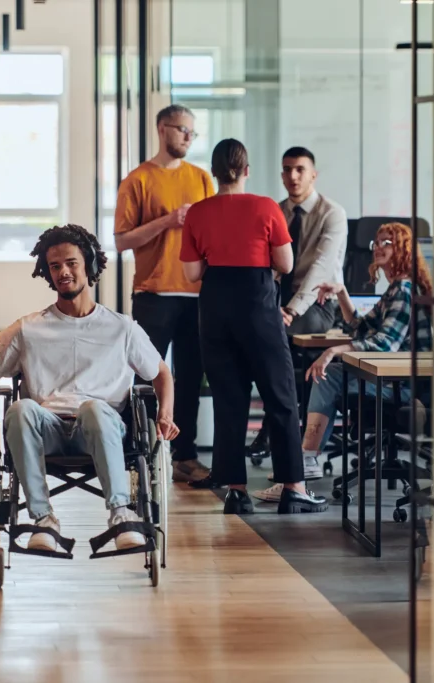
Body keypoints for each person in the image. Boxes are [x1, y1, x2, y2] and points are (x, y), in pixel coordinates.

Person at [0, 225, 179, 554]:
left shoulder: (122, 328)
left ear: (88, 265)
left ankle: (121, 515)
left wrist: (164, 414)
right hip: (46, 429)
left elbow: (161, 373)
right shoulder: (29, 328)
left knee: (93, 408)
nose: (63, 272)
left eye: (71, 263)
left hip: (100, 427)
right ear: (47, 274)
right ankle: (43, 520)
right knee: (20, 409)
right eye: (55, 266)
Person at [179, 138, 328, 515]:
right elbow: (286, 263)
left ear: (213, 172)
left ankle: (235, 490)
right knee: (280, 396)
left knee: (230, 400)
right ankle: (293, 486)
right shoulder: (265, 207)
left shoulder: (198, 212)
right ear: (246, 170)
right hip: (258, 305)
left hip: (214, 308)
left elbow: (192, 272)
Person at [251, 221, 433, 502]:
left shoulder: (405, 290)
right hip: (394, 381)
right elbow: (360, 328)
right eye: (377, 243)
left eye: (388, 242)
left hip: (404, 385)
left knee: (329, 374)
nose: (378, 248)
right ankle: (304, 462)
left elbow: (384, 346)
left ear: (403, 250)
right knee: (330, 373)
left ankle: (305, 462)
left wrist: (332, 351)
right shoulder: (395, 289)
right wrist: (341, 292)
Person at [114, 104, 214, 486]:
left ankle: (184, 456)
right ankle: (141, 453)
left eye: (192, 132)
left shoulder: (202, 179)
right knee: (145, 376)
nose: (188, 137)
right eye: (181, 130)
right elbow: (122, 240)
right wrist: (168, 221)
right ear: (162, 129)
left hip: (196, 294)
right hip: (153, 292)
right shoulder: (138, 180)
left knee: (190, 378)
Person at [247, 146, 349, 465]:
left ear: (313, 174)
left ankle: (278, 430)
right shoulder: (274, 211)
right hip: (278, 301)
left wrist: (290, 310)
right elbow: (267, 264)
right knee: (255, 344)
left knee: (281, 350)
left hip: (315, 304)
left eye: (300, 169)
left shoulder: (332, 213)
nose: (293, 176)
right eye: (287, 169)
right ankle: (277, 426)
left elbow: (320, 267)